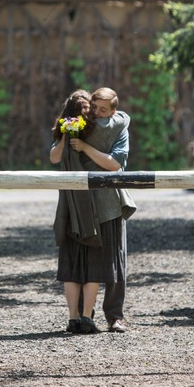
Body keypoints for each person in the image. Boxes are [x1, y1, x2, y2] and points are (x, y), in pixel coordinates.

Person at [51, 88, 136, 334]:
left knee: (115, 262)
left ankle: (114, 316)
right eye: (94, 108)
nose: (97, 114)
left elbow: (115, 164)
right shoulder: (80, 124)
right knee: (84, 262)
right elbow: (56, 154)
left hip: (109, 202)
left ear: (113, 111)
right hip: (80, 203)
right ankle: (80, 316)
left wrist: (86, 148)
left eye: (102, 110)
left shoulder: (118, 127)